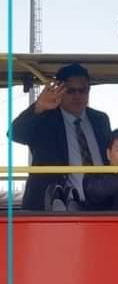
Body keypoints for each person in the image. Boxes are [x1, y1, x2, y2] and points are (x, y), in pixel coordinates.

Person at [9, 63, 111, 210]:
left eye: (82, 90)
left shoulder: (100, 119)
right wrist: (39, 106)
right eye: (70, 91)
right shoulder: (45, 118)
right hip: (55, 206)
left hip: (100, 205)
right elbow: (15, 133)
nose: (77, 96)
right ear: (59, 90)